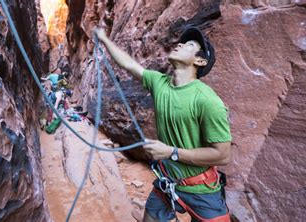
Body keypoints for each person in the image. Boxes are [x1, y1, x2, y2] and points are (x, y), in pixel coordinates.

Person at [95, 26, 232, 222]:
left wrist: (171, 152)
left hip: (201, 190)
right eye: (182, 42)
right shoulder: (159, 82)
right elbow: (129, 65)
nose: (180, 44)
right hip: (168, 181)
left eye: (189, 45)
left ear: (200, 61)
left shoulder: (207, 101)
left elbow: (223, 154)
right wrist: (104, 39)